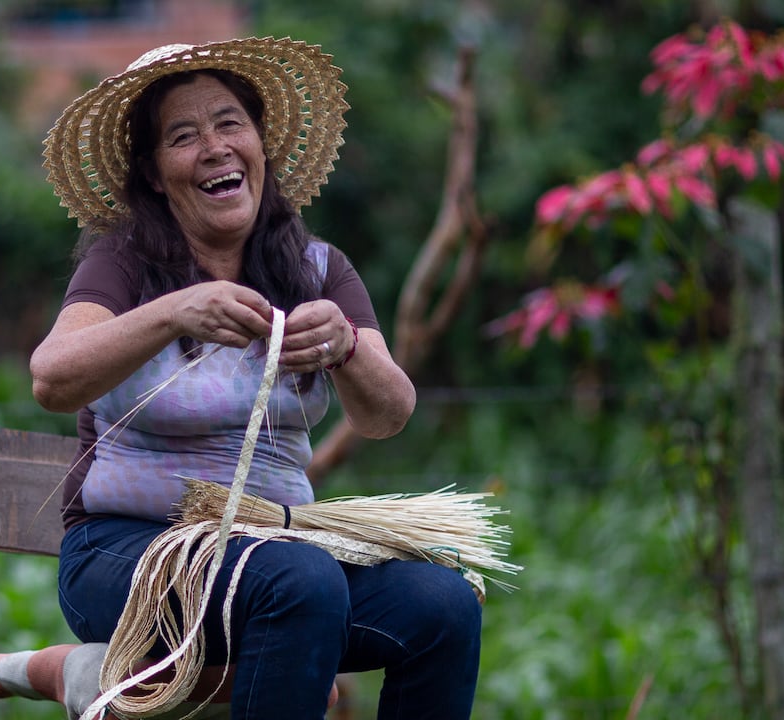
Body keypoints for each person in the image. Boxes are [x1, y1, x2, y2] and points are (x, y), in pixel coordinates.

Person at [27, 37, 482, 719]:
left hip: (278, 550)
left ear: (260, 144)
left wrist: (347, 344)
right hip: (124, 556)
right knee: (298, 583)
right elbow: (52, 379)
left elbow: (389, 414)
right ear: (154, 173)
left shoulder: (318, 269)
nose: (215, 146)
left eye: (230, 123)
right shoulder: (122, 266)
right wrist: (175, 309)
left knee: (442, 607)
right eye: (184, 135)